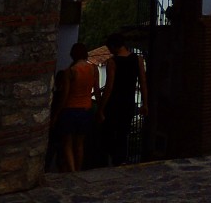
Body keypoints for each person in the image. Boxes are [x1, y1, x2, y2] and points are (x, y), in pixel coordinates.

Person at [97, 32, 149, 166]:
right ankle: (120, 160)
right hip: (129, 101)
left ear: (114, 46)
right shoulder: (138, 59)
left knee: (109, 133)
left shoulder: (113, 62)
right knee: (123, 133)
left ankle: (109, 160)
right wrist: (145, 103)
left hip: (114, 102)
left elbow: (109, 86)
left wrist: (101, 108)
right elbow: (143, 82)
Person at [52, 42, 100, 172]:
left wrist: (56, 113)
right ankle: (78, 169)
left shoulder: (71, 71)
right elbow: (96, 91)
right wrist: (100, 109)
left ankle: (72, 170)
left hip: (70, 109)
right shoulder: (94, 69)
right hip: (86, 109)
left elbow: (65, 94)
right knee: (79, 144)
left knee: (67, 143)